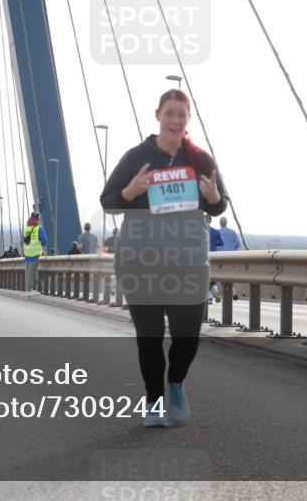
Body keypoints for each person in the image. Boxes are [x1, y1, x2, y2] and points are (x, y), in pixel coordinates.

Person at [101, 88, 228, 428]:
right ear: (158, 115)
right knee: (150, 336)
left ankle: (176, 385)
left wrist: (213, 196)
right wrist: (132, 191)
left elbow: (219, 204)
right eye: (169, 113)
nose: (175, 120)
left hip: (188, 261)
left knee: (188, 335)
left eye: (181, 115)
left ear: (188, 120)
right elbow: (108, 200)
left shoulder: (201, 159)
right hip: (142, 260)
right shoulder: (135, 157)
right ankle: (155, 402)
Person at [21, 212, 49, 297]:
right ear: (37, 219)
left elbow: (23, 240)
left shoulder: (26, 228)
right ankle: (28, 291)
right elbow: (45, 241)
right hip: (34, 253)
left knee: (28, 272)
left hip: (27, 253)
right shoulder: (38, 229)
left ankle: (30, 289)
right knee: (32, 273)